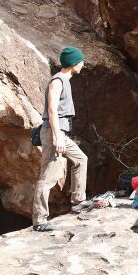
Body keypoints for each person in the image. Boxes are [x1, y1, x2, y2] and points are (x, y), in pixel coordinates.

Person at [32, 46, 89, 232]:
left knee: (81, 159)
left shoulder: (65, 80)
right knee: (49, 176)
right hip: (53, 133)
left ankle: (78, 200)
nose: (83, 64)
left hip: (61, 133)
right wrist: (57, 137)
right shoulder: (57, 81)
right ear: (73, 63)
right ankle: (40, 220)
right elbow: (52, 110)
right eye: (80, 61)